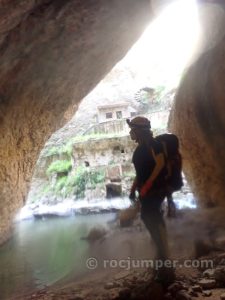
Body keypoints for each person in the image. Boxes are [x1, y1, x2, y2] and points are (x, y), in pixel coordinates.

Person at [127, 116, 174, 284]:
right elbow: (140, 173)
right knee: (149, 219)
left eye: (132, 129)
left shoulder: (154, 145)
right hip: (146, 190)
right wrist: (134, 188)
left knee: (152, 218)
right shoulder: (139, 150)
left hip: (155, 190)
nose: (130, 132)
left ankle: (166, 265)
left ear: (140, 130)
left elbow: (160, 165)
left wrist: (147, 185)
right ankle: (161, 257)